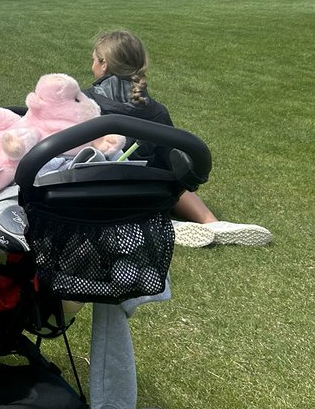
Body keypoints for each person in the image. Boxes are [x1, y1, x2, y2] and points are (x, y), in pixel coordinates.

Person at [85, 30, 271, 247]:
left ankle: (160, 225)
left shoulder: (84, 103)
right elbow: (170, 163)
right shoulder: (157, 112)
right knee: (170, 180)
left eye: (93, 60)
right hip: (148, 192)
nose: (92, 66)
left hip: (97, 192)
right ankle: (211, 222)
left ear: (104, 64)